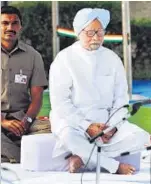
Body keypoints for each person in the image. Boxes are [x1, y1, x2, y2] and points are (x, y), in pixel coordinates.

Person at [49, 8, 150, 174]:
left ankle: (82, 158)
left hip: (107, 122)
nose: (96, 37)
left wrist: (113, 127)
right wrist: (87, 126)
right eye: (90, 32)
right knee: (69, 137)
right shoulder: (64, 59)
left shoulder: (112, 59)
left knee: (143, 138)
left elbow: (121, 99)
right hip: (74, 123)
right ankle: (113, 166)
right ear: (78, 32)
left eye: (100, 32)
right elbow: (60, 103)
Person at [1, 6, 51, 163]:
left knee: (56, 130)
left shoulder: (33, 56)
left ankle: (8, 155)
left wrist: (26, 121)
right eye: (5, 23)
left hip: (23, 119)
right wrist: (3, 122)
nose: (10, 27)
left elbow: (37, 98)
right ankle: (18, 157)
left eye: (14, 23)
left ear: (20, 26)